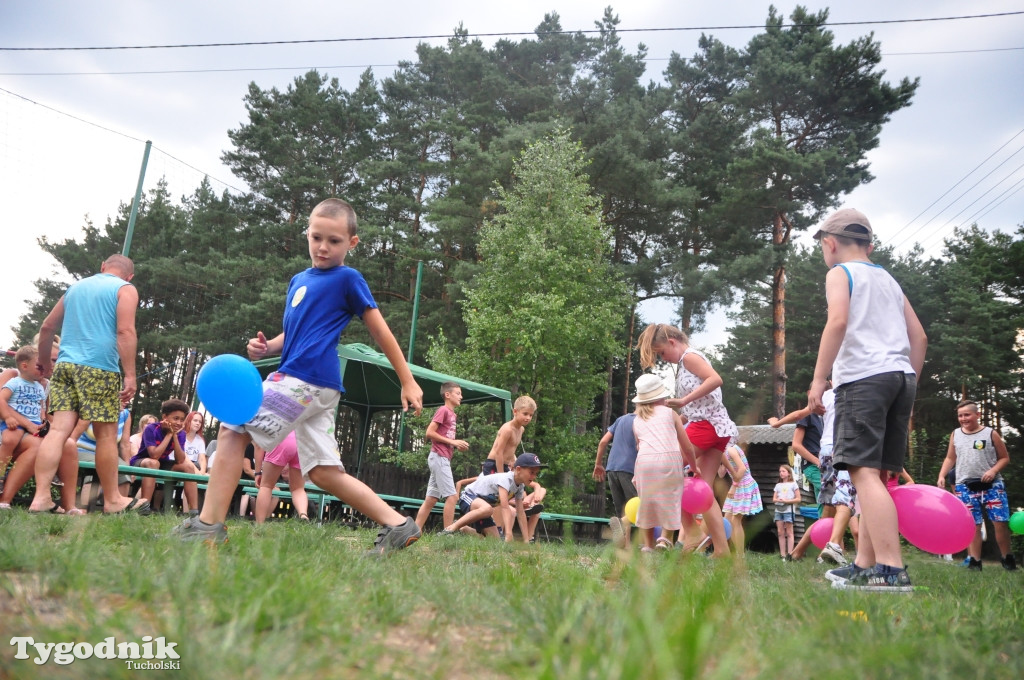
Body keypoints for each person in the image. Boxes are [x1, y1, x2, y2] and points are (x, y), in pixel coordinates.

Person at [172, 198, 424, 555]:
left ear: (352, 243)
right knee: (321, 471)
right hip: (315, 386)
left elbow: (381, 332)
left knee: (232, 427)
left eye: (334, 241)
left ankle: (207, 526)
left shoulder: (348, 279)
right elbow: (294, 333)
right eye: (316, 237)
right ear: (307, 233)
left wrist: (407, 380)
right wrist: (268, 347)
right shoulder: (299, 280)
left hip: (306, 379)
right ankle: (399, 525)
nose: (323, 247)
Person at [807, 209, 927, 593]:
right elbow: (919, 338)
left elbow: (837, 322)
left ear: (830, 243)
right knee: (877, 476)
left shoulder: (839, 273)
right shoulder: (888, 279)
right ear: (870, 245)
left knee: (860, 471)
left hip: (863, 379)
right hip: (900, 377)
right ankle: (865, 563)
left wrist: (818, 379)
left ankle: (891, 568)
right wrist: (907, 384)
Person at [29, 254, 147, 514]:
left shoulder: (75, 288)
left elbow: (47, 327)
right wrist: (129, 374)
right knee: (105, 435)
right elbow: (125, 331)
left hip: (66, 366)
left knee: (58, 430)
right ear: (130, 276)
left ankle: (40, 498)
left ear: (102, 266)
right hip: (100, 368)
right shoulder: (125, 289)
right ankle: (113, 500)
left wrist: (43, 362)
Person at [636, 324, 736, 557]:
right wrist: (678, 416)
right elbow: (695, 406)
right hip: (716, 426)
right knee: (704, 492)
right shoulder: (685, 363)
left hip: (707, 425)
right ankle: (722, 550)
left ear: (672, 341)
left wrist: (683, 400)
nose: (663, 358)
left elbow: (715, 379)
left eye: (661, 352)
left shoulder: (689, 357)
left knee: (666, 469)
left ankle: (691, 532)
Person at [937, 399, 1016, 571]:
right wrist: (942, 475)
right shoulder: (955, 434)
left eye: (967, 415)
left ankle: (1007, 559)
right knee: (972, 524)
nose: (963, 418)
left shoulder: (990, 433)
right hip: (965, 486)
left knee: (1000, 522)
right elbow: (950, 457)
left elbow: (1005, 458)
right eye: (960, 416)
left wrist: (993, 471)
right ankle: (974, 561)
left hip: (992, 486)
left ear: (977, 415)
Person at [630, 374, 697, 553]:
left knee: (647, 502)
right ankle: (665, 540)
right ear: (661, 396)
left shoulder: (636, 420)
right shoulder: (670, 413)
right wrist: (694, 466)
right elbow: (687, 447)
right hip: (668, 459)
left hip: (644, 461)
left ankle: (647, 546)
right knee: (671, 498)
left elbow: (639, 446)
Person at [440, 452, 545, 542]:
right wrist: (508, 534)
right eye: (531, 472)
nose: (534, 477)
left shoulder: (520, 486)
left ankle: (463, 528)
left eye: (536, 473)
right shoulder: (506, 479)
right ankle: (451, 528)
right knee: (488, 509)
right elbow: (504, 507)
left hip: (483, 509)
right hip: (468, 497)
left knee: (495, 540)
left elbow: (521, 512)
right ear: (518, 469)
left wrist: (526, 540)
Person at [414, 381, 469, 531]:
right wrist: (453, 442)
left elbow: (446, 437)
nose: (461, 397)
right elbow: (429, 433)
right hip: (438, 457)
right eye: (458, 393)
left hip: (441, 457)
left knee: (431, 499)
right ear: (447, 394)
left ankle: (413, 532)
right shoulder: (443, 410)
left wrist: (455, 445)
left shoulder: (453, 414)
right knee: (452, 497)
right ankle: (448, 533)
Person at [130, 398, 200, 512]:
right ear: (164, 417)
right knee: (153, 463)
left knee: (188, 467)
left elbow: (181, 460)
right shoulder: (151, 429)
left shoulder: (181, 433)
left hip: (161, 463)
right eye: (175, 418)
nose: (179, 423)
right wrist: (169, 435)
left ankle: (194, 512)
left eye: (182, 420)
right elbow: (154, 455)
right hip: (142, 461)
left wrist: (175, 436)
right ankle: (144, 506)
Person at [593, 408, 638, 548]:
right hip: (630, 469)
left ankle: (626, 545)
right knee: (637, 506)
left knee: (623, 509)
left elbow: (603, 442)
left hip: (612, 468)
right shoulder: (643, 422)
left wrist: (598, 464)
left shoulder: (621, 419)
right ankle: (624, 533)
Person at [0, 346, 47, 479]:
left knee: (46, 444)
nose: (43, 369)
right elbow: (1, 399)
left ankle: (48, 470)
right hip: (16, 422)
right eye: (39, 367)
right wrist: (7, 417)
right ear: (25, 366)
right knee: (9, 440)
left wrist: (43, 419)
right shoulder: (14, 383)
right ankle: (0, 474)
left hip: (35, 423)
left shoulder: (39, 387)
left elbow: (41, 406)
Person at [253, 431, 310, 523]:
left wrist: (257, 473)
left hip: (280, 439)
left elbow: (259, 446)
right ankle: (303, 514)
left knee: (266, 486)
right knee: (298, 489)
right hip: (302, 442)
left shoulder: (268, 417)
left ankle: (259, 524)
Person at [721, 443, 762, 555]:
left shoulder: (731, 449)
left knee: (736, 520)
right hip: (738, 484)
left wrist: (733, 487)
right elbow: (720, 474)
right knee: (727, 520)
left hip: (743, 485)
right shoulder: (724, 452)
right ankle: (728, 552)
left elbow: (742, 469)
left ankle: (740, 554)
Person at [482, 395, 536, 475]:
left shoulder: (521, 429)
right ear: (515, 412)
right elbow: (498, 452)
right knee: (501, 486)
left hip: (505, 465)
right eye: (525, 414)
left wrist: (514, 460)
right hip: (493, 464)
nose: (528, 418)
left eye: (531, 415)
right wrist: (501, 475)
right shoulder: (507, 429)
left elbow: (511, 447)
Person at [773, 464, 800, 558]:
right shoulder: (778, 485)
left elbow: (798, 499)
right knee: (780, 532)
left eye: (783, 471)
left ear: (789, 473)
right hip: (778, 510)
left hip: (789, 510)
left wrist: (787, 501)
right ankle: (782, 554)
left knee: (789, 532)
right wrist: (779, 500)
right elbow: (774, 498)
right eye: (780, 471)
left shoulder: (793, 484)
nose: (781, 473)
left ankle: (790, 554)